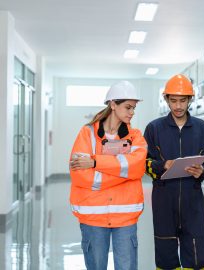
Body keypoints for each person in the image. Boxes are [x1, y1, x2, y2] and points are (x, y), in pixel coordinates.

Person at [144, 74, 204, 270]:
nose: (178, 106)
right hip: (164, 201)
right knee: (166, 256)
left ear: (190, 100)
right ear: (167, 100)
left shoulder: (202, 128)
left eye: (183, 101)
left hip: (192, 200)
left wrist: (203, 171)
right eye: (174, 101)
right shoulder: (154, 128)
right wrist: (163, 166)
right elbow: (143, 163)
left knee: (198, 255)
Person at [69, 81, 147, 270]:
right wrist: (123, 174)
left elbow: (137, 167)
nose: (132, 112)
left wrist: (96, 163)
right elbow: (80, 175)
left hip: (125, 217)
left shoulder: (135, 136)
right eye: (128, 107)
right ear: (113, 104)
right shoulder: (86, 134)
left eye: (134, 108)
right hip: (92, 216)